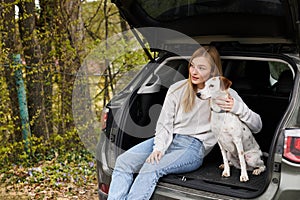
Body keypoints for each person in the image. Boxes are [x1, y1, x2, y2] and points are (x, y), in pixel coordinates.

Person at [107, 46, 262, 200]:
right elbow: (164, 124)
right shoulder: (177, 89)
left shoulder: (227, 94)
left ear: (213, 71)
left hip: (194, 147)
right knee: (123, 162)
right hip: (169, 140)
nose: (194, 72)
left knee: (150, 168)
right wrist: (159, 148)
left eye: (201, 68)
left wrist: (237, 108)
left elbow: (257, 126)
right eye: (192, 66)